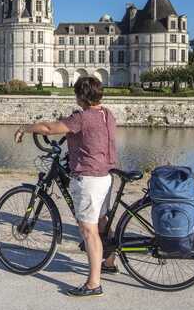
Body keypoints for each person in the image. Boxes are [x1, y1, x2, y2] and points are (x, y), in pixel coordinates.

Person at [14, 76, 118, 297]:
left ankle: (93, 283)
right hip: (106, 175)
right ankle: (109, 261)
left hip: (89, 177)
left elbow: (49, 128)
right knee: (102, 221)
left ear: (82, 96)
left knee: (88, 230)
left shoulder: (82, 117)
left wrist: (25, 127)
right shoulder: (107, 114)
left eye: (77, 94)